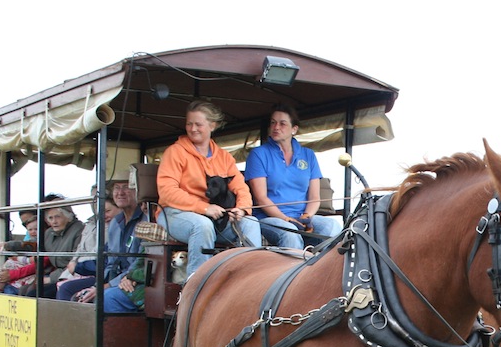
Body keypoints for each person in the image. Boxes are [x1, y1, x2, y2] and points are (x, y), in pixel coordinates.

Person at [157, 99, 259, 279]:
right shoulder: (175, 152)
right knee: (201, 225)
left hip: (216, 217)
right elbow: (167, 191)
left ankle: (251, 280)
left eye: (198, 124)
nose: (193, 128)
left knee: (250, 223)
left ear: (212, 125)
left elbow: (240, 187)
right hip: (175, 214)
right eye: (189, 124)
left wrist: (242, 208)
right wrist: (204, 208)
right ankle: (196, 286)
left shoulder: (224, 157)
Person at [244, 104, 340, 249]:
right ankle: (297, 271)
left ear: (294, 129)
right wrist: (286, 219)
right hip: (270, 218)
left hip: (301, 216)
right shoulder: (258, 154)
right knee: (290, 233)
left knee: (332, 226)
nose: (276, 127)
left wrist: (307, 216)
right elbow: (261, 198)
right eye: (273, 123)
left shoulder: (308, 155)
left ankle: (324, 269)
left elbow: (315, 197)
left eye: (282, 123)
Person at [63, 174, 149, 303]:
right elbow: (110, 262)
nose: (120, 193)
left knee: (103, 299)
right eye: (116, 188)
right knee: (76, 295)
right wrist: (97, 286)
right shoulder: (115, 223)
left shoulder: (146, 220)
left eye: (126, 187)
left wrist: (106, 287)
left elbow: (140, 262)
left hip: (133, 280)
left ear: (138, 191)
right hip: (115, 279)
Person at [0, 210, 43, 293]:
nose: (33, 231)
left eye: (36, 228)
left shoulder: (43, 239)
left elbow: (31, 250)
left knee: (9, 286)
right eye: (26, 225)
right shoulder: (29, 236)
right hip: (25, 263)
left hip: (31, 266)